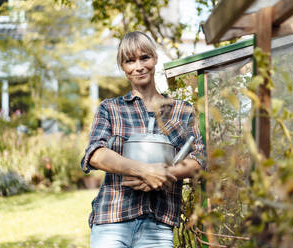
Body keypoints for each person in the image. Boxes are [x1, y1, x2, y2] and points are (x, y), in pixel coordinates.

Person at [81, 31, 205, 248]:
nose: (138, 66)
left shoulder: (181, 111)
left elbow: (199, 158)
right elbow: (95, 154)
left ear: (155, 58)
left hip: (158, 225)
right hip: (112, 220)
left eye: (144, 58)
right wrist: (142, 170)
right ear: (123, 67)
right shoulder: (111, 108)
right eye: (130, 61)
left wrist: (165, 173)